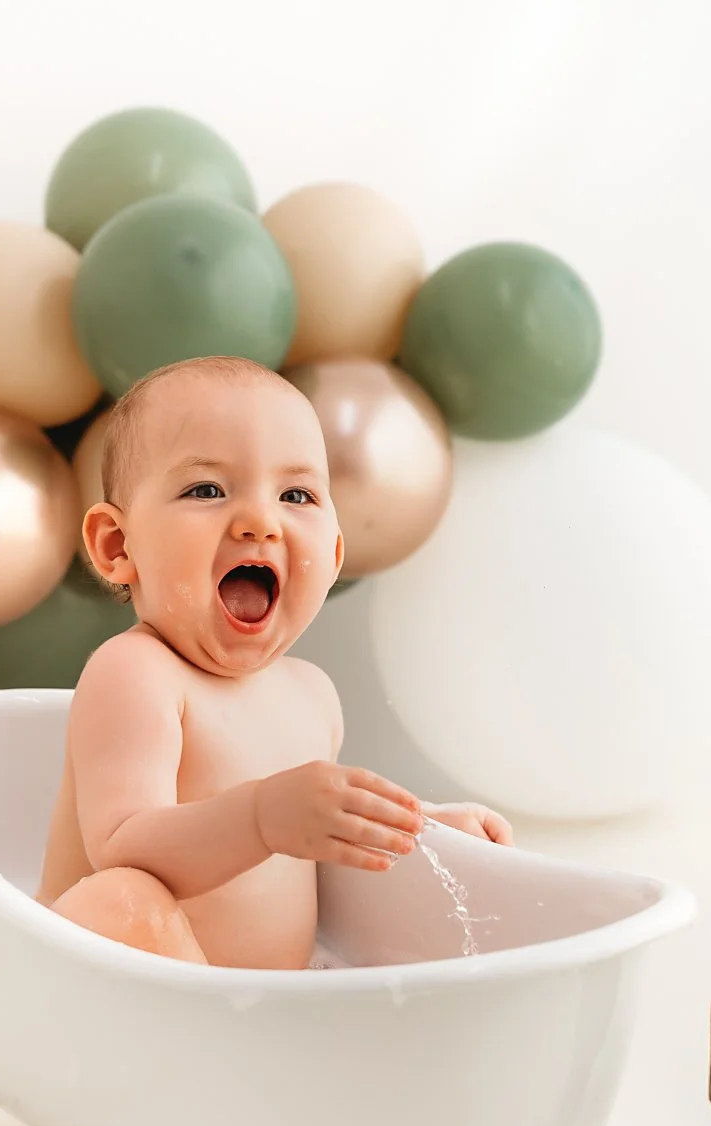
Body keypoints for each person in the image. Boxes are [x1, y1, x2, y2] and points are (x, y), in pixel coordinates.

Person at [34, 355, 512, 968]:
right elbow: (121, 847)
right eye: (207, 489)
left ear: (334, 555)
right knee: (119, 896)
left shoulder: (311, 694)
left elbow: (319, 834)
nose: (261, 522)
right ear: (117, 546)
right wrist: (262, 818)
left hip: (266, 1001)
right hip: (108, 986)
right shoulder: (135, 673)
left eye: (296, 495)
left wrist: (422, 828)